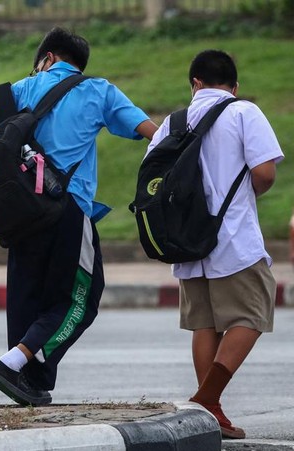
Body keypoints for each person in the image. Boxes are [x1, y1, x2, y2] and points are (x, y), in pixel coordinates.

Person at [0, 27, 158, 406]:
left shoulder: (17, 90)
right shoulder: (99, 90)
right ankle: (11, 363)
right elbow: (152, 133)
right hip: (68, 208)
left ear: (47, 58)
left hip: (19, 215)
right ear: (77, 64)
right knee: (81, 297)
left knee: (27, 295)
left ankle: (30, 382)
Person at [144, 49, 283, 439]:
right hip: (233, 237)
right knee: (253, 313)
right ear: (234, 86)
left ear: (195, 84)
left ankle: (210, 414)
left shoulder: (171, 123)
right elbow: (265, 172)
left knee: (204, 324)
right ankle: (206, 400)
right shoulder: (243, 112)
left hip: (186, 240)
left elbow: (153, 180)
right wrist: (243, 197)